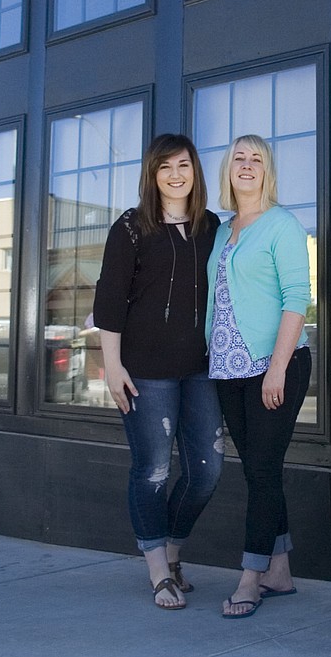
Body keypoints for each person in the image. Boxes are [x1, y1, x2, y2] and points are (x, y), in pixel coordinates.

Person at [93, 133, 223, 611]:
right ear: (152, 174)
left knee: (207, 471)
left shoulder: (212, 227)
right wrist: (112, 366)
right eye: (164, 167)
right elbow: (108, 299)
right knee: (153, 470)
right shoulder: (131, 226)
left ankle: (171, 553)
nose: (174, 175)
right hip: (144, 371)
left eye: (183, 165)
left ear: (195, 172)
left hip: (202, 369)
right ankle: (157, 572)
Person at [206, 134, 312, 619]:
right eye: (239, 158)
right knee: (257, 470)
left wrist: (278, 368)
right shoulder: (223, 229)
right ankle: (281, 570)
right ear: (228, 170)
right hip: (229, 367)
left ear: (267, 171)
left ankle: (251, 578)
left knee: (264, 470)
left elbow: (297, 298)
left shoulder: (281, 224)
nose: (247, 165)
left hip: (274, 365)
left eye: (257, 159)